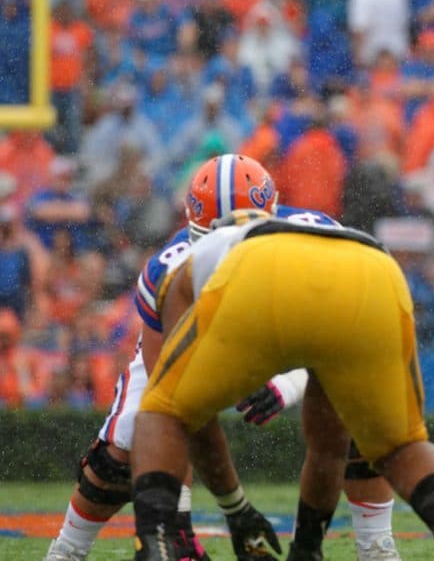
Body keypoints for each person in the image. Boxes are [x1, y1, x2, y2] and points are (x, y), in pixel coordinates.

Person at [45, 154, 402, 561]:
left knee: (362, 409)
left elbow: (354, 349)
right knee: (124, 447)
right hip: (198, 333)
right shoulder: (169, 272)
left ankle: (376, 547)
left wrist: (290, 384)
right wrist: (184, 519)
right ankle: (68, 550)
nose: (229, 249)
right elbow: (172, 404)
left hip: (288, 323)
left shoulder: (321, 244)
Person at [129, 209, 434, 561]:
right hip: (374, 270)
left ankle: (157, 543)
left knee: (162, 411)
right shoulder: (310, 225)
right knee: (401, 446)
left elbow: (188, 418)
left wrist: (234, 507)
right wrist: (305, 549)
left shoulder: (197, 257)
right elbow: (328, 446)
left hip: (261, 268)